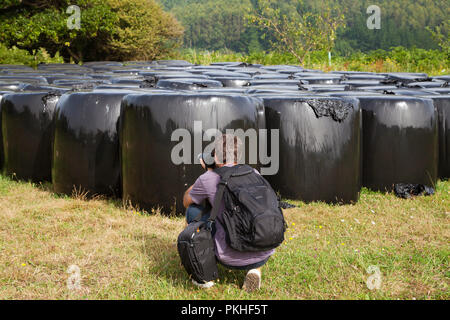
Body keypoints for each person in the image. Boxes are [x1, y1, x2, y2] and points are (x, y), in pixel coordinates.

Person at [183, 134, 275, 292]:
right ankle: (255, 269)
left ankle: (205, 275)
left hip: (228, 256)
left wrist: (207, 171)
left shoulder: (209, 178)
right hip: (264, 250)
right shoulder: (253, 173)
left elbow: (186, 200)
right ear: (238, 157)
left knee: (193, 211)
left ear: (216, 155)